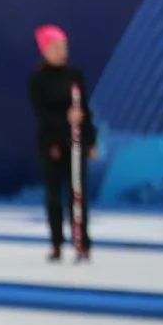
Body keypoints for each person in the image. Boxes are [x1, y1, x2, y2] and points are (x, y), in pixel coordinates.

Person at [29, 24, 98, 262]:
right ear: (45, 50)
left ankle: (82, 243)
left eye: (64, 47)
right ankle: (56, 243)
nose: (62, 52)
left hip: (76, 144)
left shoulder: (74, 75)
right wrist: (65, 118)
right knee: (53, 196)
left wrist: (90, 140)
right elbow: (42, 114)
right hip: (51, 145)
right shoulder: (38, 80)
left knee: (79, 196)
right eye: (57, 47)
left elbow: (84, 109)